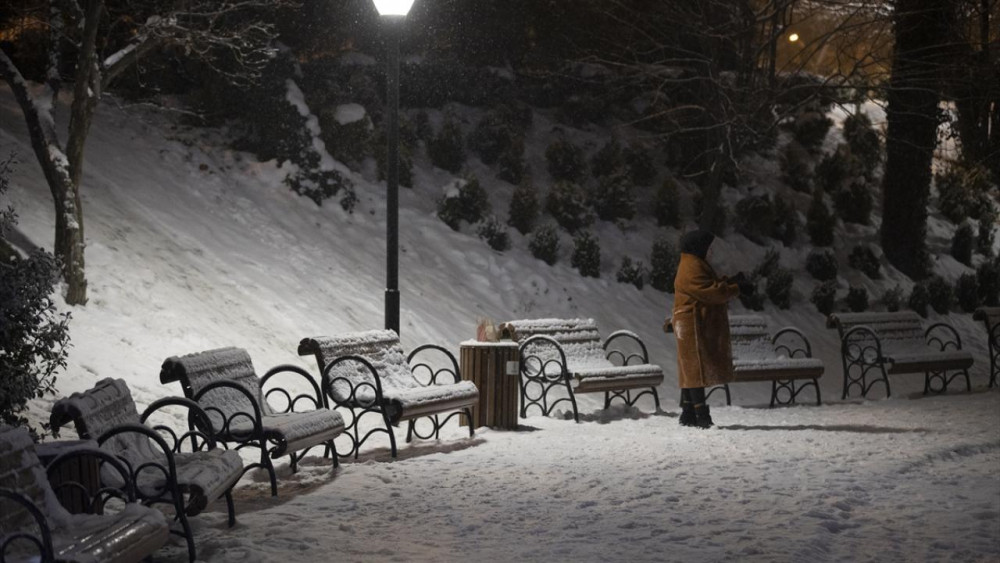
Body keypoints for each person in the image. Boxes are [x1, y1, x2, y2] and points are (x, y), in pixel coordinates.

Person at [669, 230, 751, 428]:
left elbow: (708, 285)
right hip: (691, 324)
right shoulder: (691, 266)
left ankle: (688, 414)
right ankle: (702, 417)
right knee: (695, 369)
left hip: (691, 323)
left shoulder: (693, 263)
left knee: (690, 369)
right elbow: (710, 292)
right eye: (708, 247)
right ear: (699, 247)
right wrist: (735, 288)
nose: (711, 252)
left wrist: (730, 281)